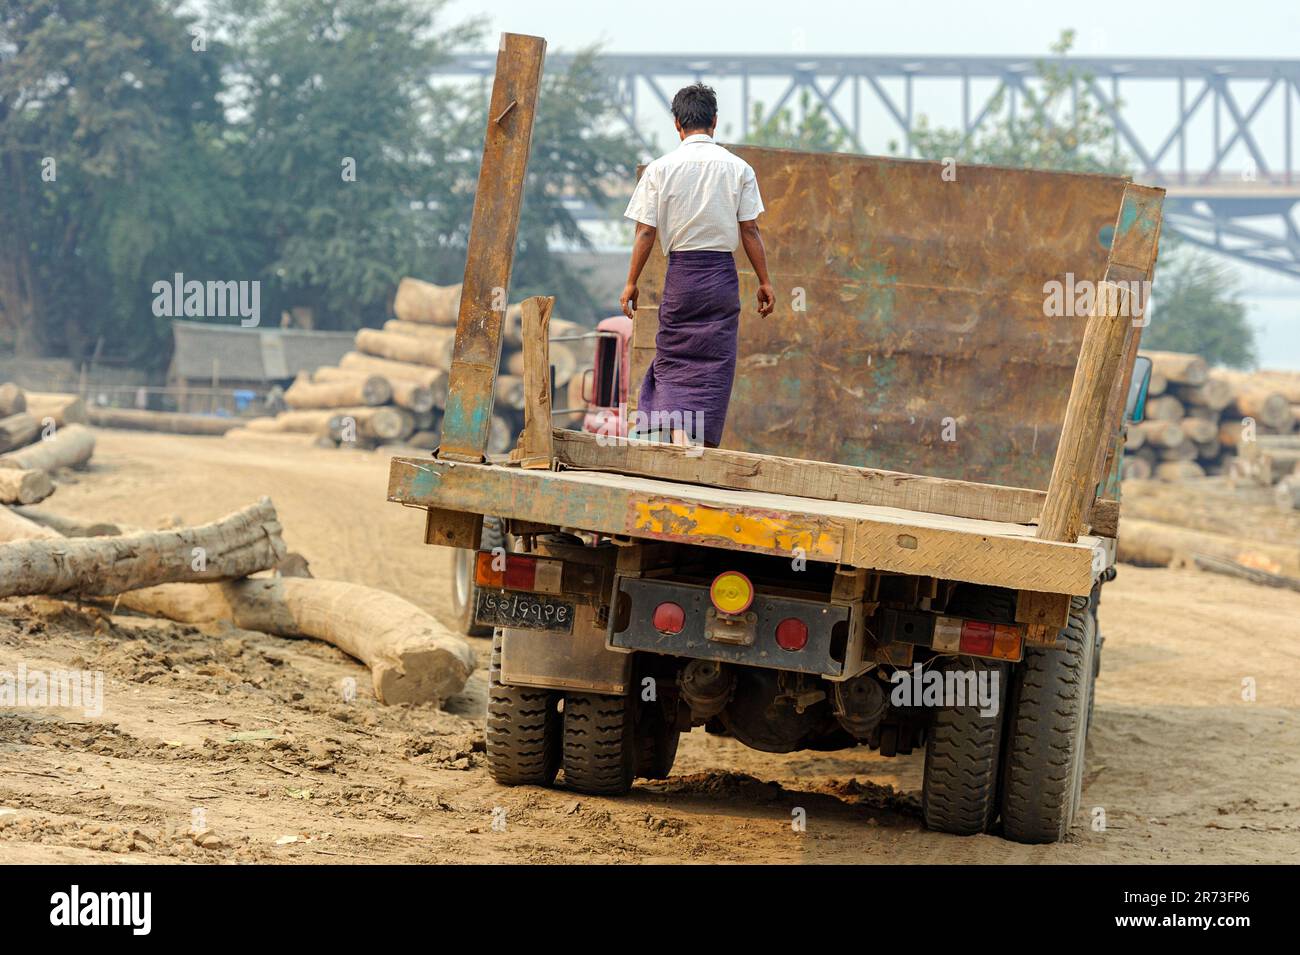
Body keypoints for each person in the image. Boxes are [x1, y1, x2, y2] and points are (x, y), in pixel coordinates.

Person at [620, 83, 774, 449]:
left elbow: (645, 233)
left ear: (677, 124)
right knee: (715, 361)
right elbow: (750, 230)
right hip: (721, 278)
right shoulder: (739, 169)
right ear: (715, 121)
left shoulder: (659, 170)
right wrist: (765, 282)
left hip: (681, 278)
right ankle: (696, 442)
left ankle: (673, 432)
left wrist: (630, 283)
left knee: (673, 355)